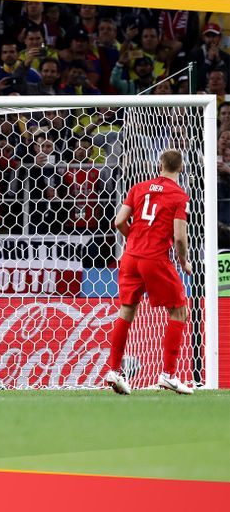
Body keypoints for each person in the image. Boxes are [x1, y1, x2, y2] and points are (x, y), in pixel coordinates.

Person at [105, 149, 193, 395]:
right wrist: (184, 261)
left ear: (159, 165)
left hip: (130, 257)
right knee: (179, 311)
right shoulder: (179, 196)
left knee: (126, 311)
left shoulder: (139, 188)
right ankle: (168, 375)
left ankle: (114, 370)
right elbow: (179, 237)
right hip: (154, 259)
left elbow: (119, 221)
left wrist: (134, 238)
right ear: (181, 168)